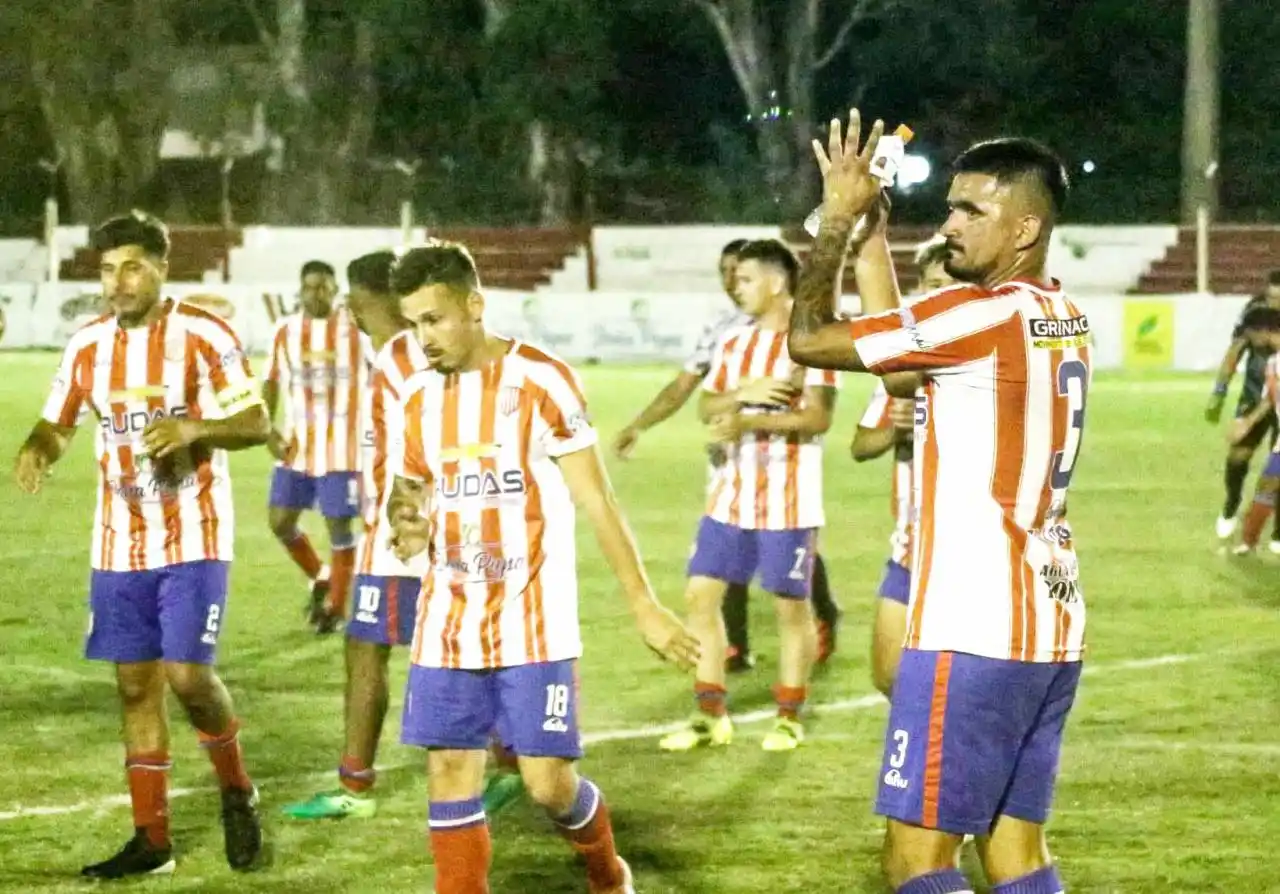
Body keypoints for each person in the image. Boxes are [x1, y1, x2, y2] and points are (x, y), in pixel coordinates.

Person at [789, 111, 1086, 894]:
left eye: (970, 211)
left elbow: (809, 337)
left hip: (973, 626)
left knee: (917, 861)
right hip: (1047, 621)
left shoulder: (976, 316)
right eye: (950, 207)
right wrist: (874, 243)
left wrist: (838, 221)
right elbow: (900, 369)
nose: (950, 225)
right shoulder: (1061, 315)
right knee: (1015, 854)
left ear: (1025, 228)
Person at [383, 240, 699, 894]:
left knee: (548, 784)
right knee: (449, 770)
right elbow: (409, 488)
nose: (424, 338)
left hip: (533, 620)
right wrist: (405, 518)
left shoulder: (539, 380)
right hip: (447, 619)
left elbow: (596, 497)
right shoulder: (415, 399)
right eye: (414, 324)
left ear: (474, 306)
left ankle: (606, 871)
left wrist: (643, 603)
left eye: (434, 319)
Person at [11, 211, 265, 878]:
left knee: (188, 677)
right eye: (106, 270)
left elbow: (255, 422)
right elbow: (58, 422)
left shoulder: (204, 335)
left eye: (130, 267)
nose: (117, 282)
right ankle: (153, 841)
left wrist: (193, 429)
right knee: (134, 687)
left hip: (194, 533)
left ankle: (237, 789)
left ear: (160, 267)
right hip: (119, 541)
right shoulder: (87, 345)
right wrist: (38, 448)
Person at [658, 238, 838, 754]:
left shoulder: (812, 342)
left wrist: (747, 421)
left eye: (746, 279)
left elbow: (817, 418)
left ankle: (789, 716)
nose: (736, 288)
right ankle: (709, 714)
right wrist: (740, 396)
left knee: (790, 609)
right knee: (700, 595)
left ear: (777, 282)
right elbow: (706, 405)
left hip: (788, 499)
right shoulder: (734, 343)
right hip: (730, 496)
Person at [849, 236, 958, 695]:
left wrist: (931, 421)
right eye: (931, 285)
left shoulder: (981, 360)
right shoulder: (904, 369)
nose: (939, 294)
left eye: (949, 284)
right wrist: (896, 431)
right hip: (910, 547)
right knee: (889, 677)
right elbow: (860, 445)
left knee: (961, 687)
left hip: (965, 551)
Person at [263, 260, 373, 632]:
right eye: (310, 287)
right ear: (300, 290)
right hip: (297, 446)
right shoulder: (285, 331)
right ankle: (320, 576)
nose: (317, 294)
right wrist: (268, 430)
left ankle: (336, 608)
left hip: (344, 449)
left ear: (335, 290)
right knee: (280, 522)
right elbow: (270, 381)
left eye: (324, 287)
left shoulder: (357, 330)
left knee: (339, 527)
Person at [1207, 270, 1280, 541]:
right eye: (1271, 297)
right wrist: (1219, 391)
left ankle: (1278, 531)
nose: (1274, 305)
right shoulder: (1254, 311)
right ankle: (1232, 502)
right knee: (1238, 456)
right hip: (1253, 394)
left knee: (1278, 468)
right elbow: (1235, 349)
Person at [1226, 308, 1280, 554]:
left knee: (1268, 485)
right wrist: (1247, 423)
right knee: (1267, 485)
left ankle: (1248, 541)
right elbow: (1270, 399)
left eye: (1251, 335)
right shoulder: (1273, 362)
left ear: (1264, 332)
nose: (1251, 341)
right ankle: (1248, 542)